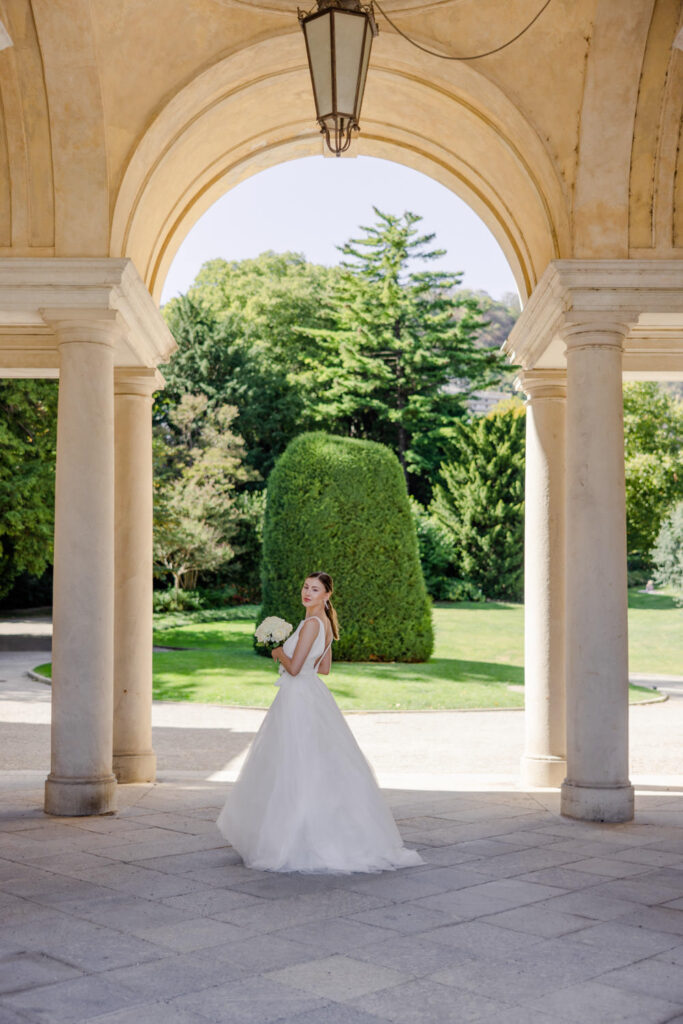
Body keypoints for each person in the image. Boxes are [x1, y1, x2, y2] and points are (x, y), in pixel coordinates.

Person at [216, 571, 424, 873]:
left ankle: (296, 839)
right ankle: (312, 833)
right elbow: (324, 668)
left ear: (327, 595)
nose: (307, 592)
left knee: (294, 764)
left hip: (299, 698)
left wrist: (278, 652)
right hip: (312, 694)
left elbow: (297, 668)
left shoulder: (312, 624)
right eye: (305, 587)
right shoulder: (323, 624)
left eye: (315, 589)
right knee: (314, 763)